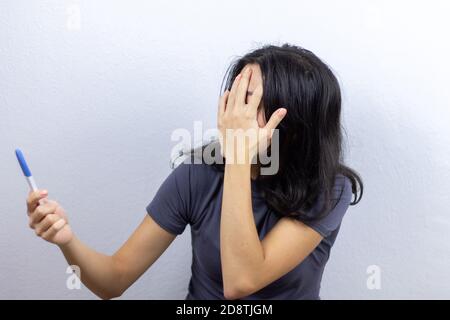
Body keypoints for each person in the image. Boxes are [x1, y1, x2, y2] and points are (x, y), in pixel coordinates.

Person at [25, 44, 363, 300]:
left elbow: (241, 280)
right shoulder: (197, 176)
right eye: (236, 98)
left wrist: (238, 158)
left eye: (252, 102)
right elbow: (113, 279)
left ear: (295, 125)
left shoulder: (329, 188)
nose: (235, 113)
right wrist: (66, 241)